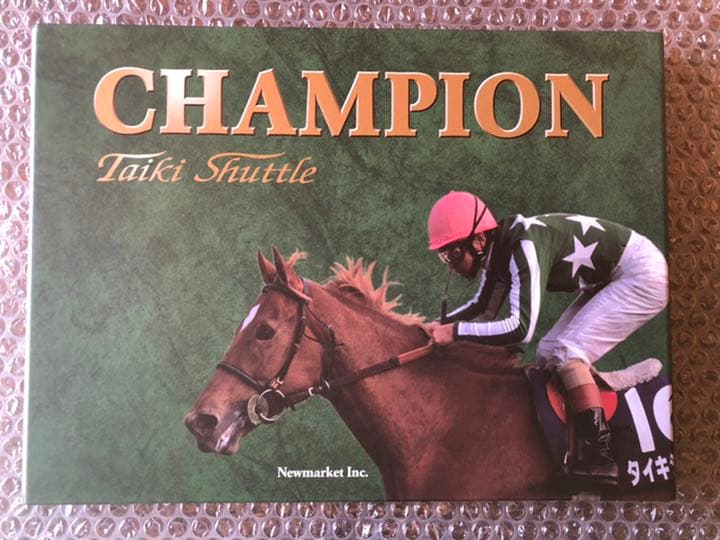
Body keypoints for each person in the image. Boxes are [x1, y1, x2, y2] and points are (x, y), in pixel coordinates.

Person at [425, 191, 668, 485]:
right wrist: (434, 325)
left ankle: (599, 458)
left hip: (640, 274)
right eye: (443, 256)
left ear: (478, 241)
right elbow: (482, 308)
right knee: (548, 352)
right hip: (610, 276)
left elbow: (520, 329)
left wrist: (454, 332)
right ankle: (571, 439)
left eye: (453, 253)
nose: (450, 263)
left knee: (568, 353)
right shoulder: (498, 250)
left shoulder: (523, 246)